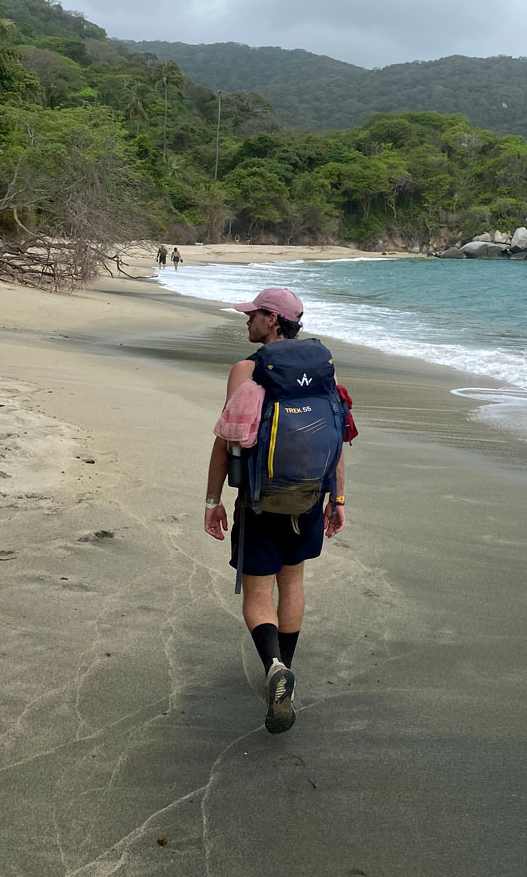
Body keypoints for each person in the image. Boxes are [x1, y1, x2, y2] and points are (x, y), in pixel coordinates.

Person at [203, 288, 346, 734]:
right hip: (309, 498)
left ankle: (273, 669)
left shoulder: (247, 370)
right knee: (294, 579)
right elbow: (339, 437)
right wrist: (337, 499)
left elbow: (230, 440)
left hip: (260, 502)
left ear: (273, 320)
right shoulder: (323, 369)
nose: (247, 322)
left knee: (259, 592)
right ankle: (286, 666)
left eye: (253, 316)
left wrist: (213, 502)